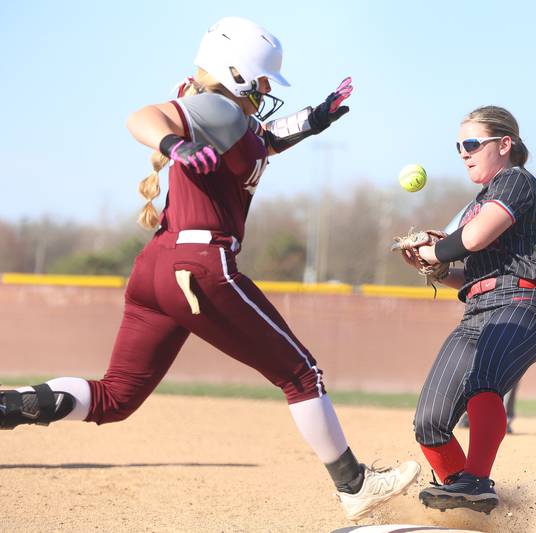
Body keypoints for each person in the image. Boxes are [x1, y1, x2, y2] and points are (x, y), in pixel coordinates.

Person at [0, 17, 418, 521]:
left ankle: (7, 406)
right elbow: (142, 116)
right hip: (199, 265)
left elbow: (262, 140)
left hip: (158, 267)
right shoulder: (216, 107)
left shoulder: (228, 116)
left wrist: (313, 118)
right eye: (262, 79)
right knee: (301, 375)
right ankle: (354, 485)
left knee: (114, 398)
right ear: (235, 70)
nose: (266, 89)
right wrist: (171, 144)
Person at [398, 105, 536, 514]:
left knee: (483, 379)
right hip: (477, 312)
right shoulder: (477, 202)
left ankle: (476, 483)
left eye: (471, 144)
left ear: (505, 144)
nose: (464, 153)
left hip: (520, 306)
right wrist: (435, 267)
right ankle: (464, 501)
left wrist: (438, 248)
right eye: (458, 146)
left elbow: (477, 236)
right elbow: (468, 274)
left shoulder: (516, 181)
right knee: (429, 422)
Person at [453, 213, 536, 430]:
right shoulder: (480, 209)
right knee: (473, 355)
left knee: (506, 357)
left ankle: (501, 416)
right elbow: (453, 235)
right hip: (482, 294)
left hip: (521, 297)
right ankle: (469, 412)